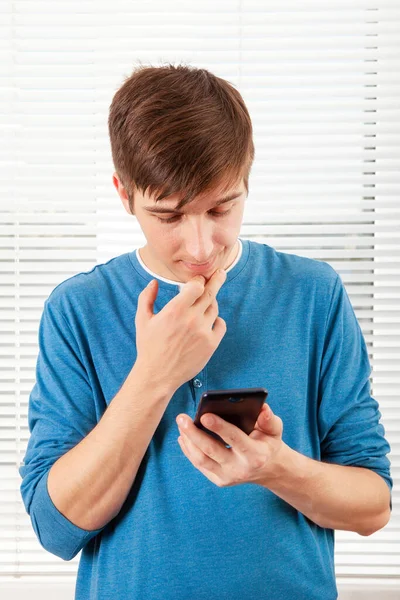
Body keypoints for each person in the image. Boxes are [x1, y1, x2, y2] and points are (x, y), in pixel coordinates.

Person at [19, 63, 392, 600]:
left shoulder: (312, 293)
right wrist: (153, 375)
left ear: (247, 178)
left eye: (221, 207)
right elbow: (57, 529)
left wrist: (276, 468)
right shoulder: (77, 309)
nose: (199, 247)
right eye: (169, 216)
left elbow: (372, 506)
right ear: (125, 195)